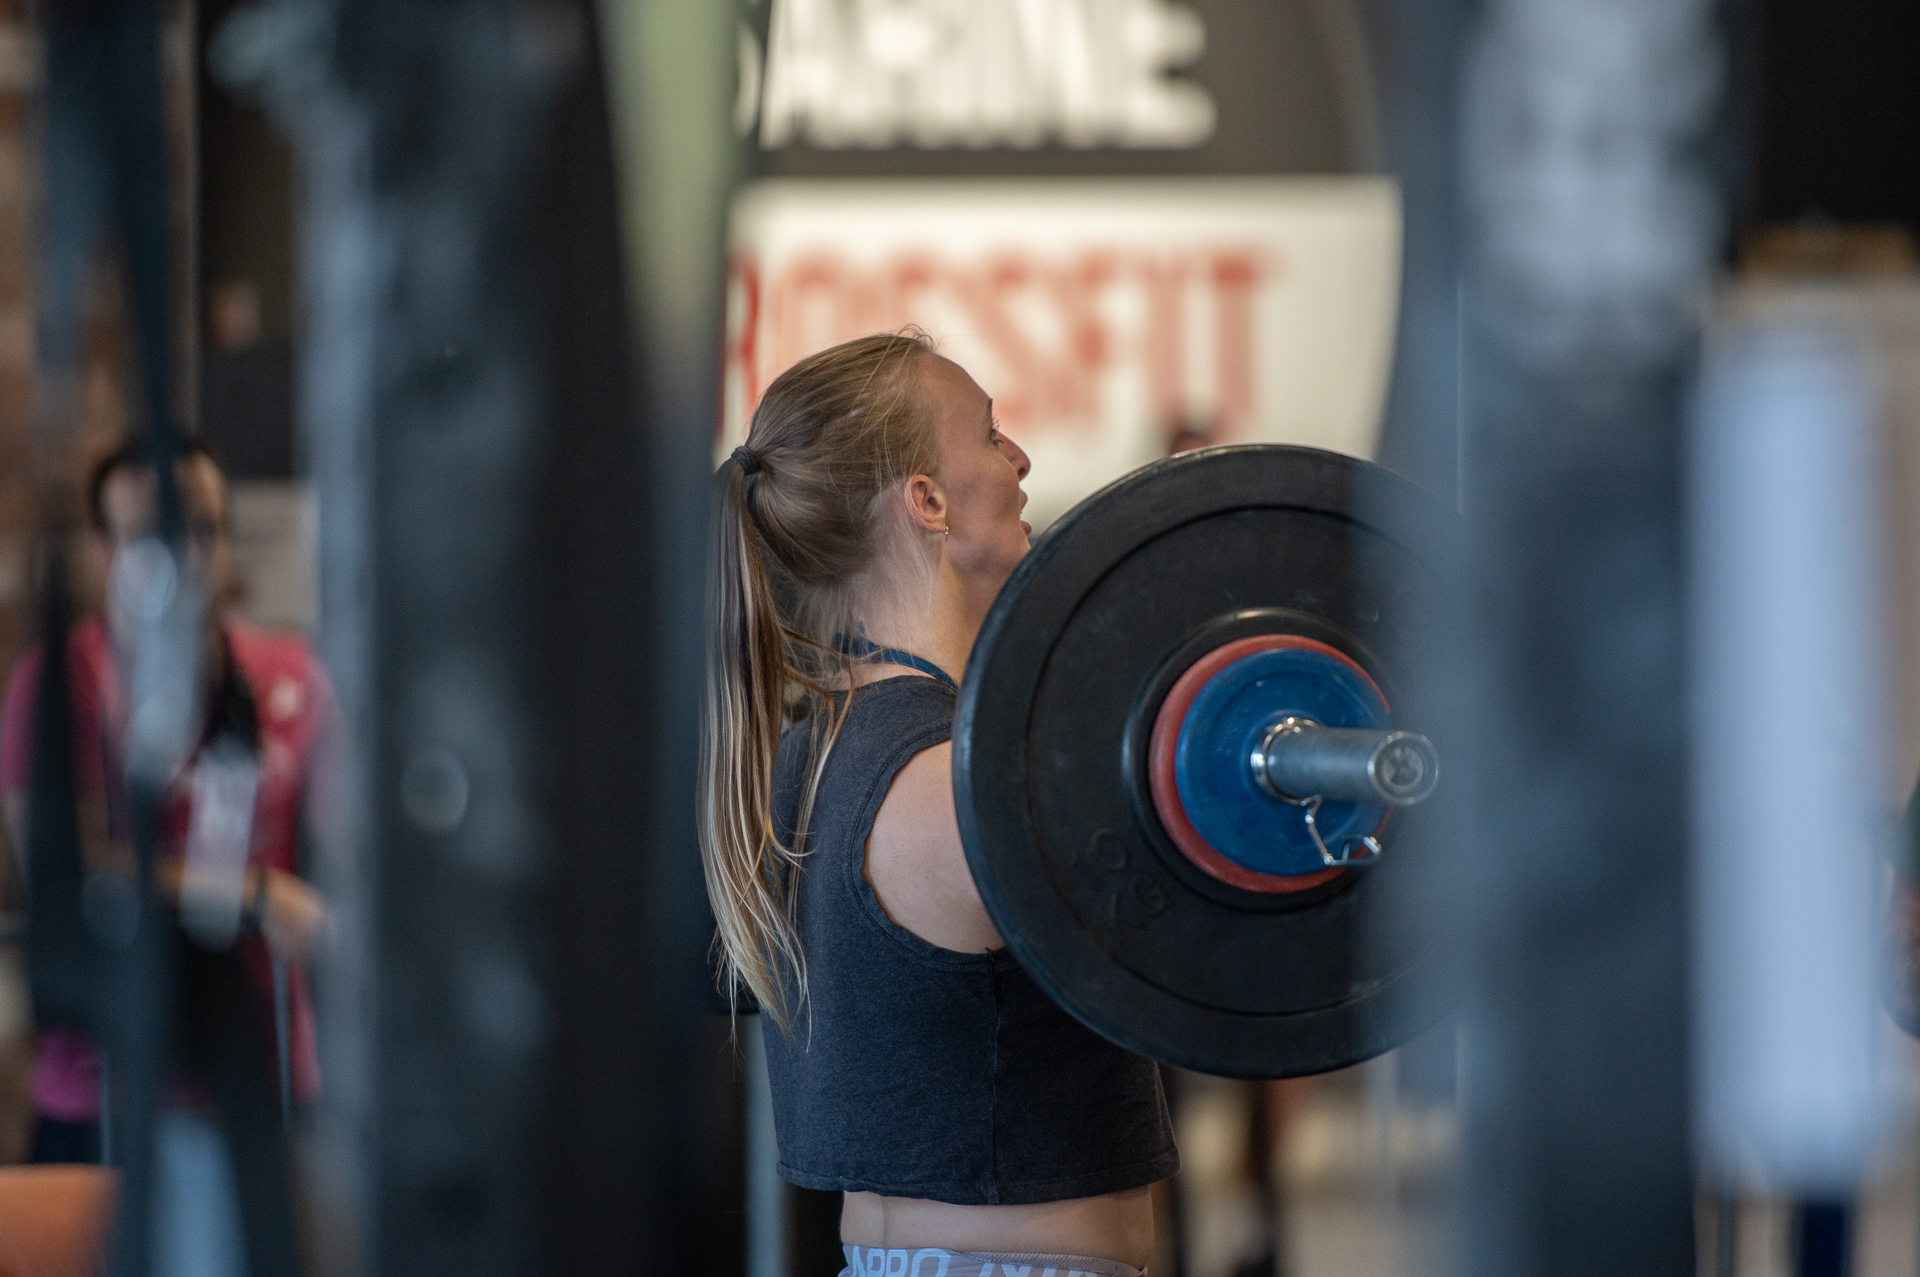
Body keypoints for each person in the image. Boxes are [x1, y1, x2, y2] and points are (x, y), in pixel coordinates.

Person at [700, 332, 1178, 1275]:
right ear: (926, 500)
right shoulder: (950, 786)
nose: (1021, 458)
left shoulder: (812, 755)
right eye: (992, 433)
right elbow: (1202, 937)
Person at [0, 433, 334, 1164]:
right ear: (105, 553)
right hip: (109, 1091)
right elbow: (70, 871)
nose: (185, 552)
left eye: (204, 528)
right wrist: (253, 896)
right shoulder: (55, 686)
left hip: (267, 1073)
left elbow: (346, 866)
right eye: (153, 533)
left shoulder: (295, 675)